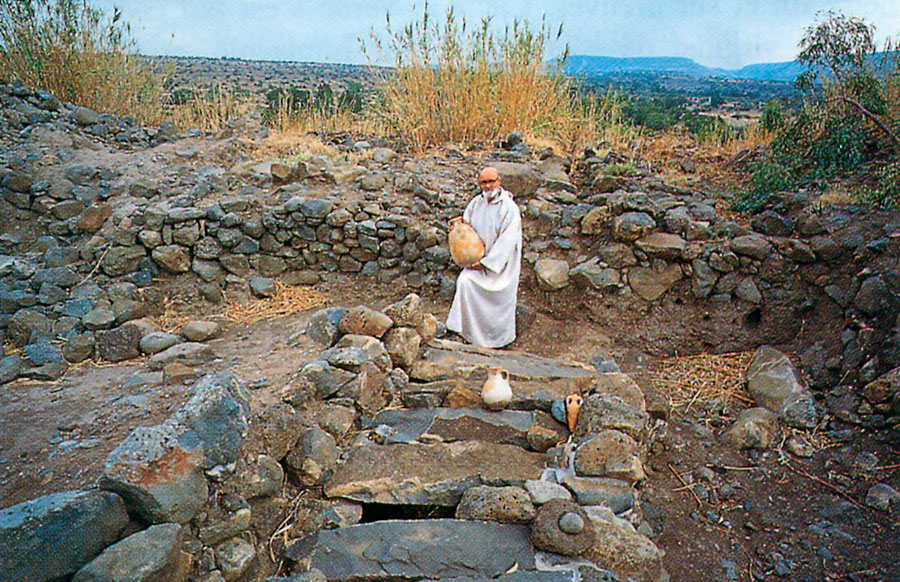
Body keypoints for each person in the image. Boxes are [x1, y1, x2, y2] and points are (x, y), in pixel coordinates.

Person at [446, 166, 522, 348]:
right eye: (484, 182)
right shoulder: (475, 204)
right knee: (465, 281)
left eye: (491, 181)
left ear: (499, 181)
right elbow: (466, 227)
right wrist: (456, 230)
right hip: (477, 262)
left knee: (498, 296)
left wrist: (487, 263)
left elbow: (508, 241)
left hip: (500, 268)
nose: (488, 186)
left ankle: (499, 340)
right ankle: (463, 332)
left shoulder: (509, 208)